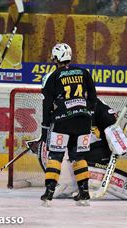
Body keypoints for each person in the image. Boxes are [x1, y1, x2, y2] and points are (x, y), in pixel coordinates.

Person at [52, 98, 127, 200]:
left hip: (97, 153)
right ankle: (68, 184)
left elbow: (113, 124)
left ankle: (72, 184)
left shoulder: (97, 105)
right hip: (80, 151)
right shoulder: (67, 104)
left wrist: (121, 145)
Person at [40, 43, 97, 206]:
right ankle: (84, 193)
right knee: (78, 157)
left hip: (62, 120)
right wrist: (84, 111)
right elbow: (93, 99)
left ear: (56, 58)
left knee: (56, 156)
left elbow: (47, 104)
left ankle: (49, 192)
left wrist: (45, 126)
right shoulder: (84, 72)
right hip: (84, 120)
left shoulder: (53, 76)